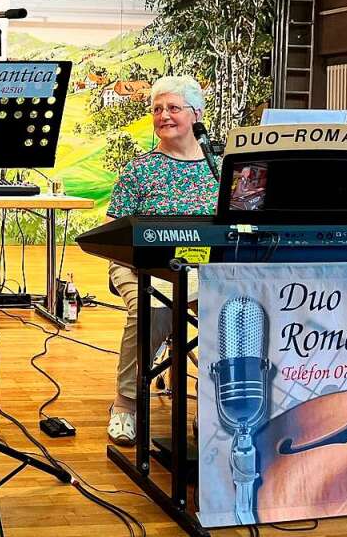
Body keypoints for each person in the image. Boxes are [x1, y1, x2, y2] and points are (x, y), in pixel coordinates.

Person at [105, 76, 218, 444]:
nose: (164, 116)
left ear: (197, 114)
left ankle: (213, 407)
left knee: (234, 312)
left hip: (205, 266)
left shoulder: (219, 166)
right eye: (157, 109)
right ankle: (125, 403)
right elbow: (112, 231)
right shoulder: (140, 168)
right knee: (151, 307)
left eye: (173, 108)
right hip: (138, 262)